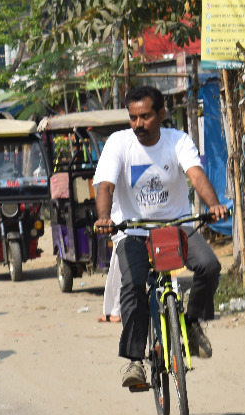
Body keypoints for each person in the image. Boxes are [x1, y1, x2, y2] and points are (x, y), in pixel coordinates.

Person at [92, 84, 228, 389]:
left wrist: (214, 204)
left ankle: (192, 325)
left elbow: (195, 174)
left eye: (146, 116)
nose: (139, 124)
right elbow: (105, 186)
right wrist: (104, 217)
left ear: (162, 114)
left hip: (176, 226)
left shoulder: (177, 140)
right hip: (133, 230)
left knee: (209, 266)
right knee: (134, 284)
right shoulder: (119, 143)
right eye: (133, 117)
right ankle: (135, 361)